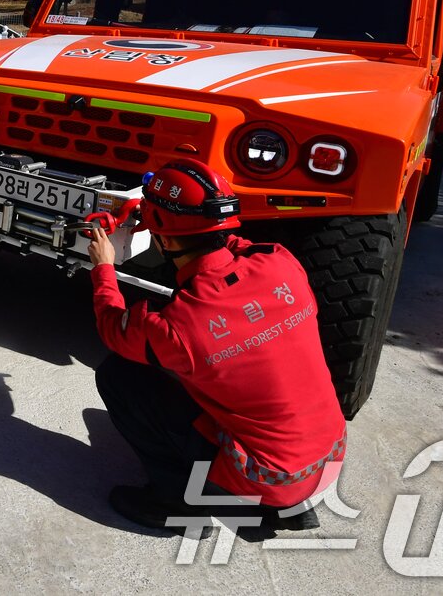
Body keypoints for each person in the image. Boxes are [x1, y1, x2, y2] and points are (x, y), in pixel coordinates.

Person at [87, 158, 345, 534]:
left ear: (166, 239)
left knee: (120, 375)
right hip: (327, 457)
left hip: (264, 475)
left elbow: (113, 327)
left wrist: (103, 268)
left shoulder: (179, 327)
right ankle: (287, 504)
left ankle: (179, 503)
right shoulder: (282, 263)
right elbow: (234, 247)